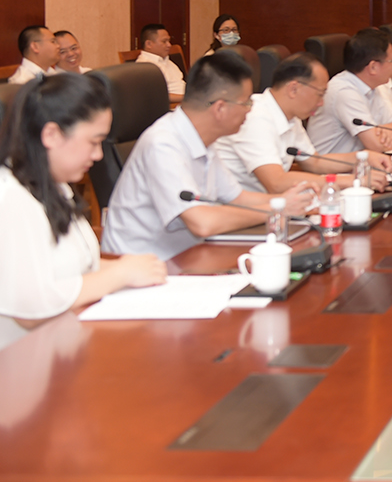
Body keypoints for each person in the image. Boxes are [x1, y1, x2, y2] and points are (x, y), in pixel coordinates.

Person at [0, 74, 167, 350]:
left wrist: (133, 267)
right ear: (51, 135)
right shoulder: (10, 198)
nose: (99, 155)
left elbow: (75, 265)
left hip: (65, 346)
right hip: (21, 362)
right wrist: (120, 274)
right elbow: (31, 308)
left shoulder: (55, 185)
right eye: (93, 141)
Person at [101, 55, 311, 261]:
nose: (250, 110)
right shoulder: (163, 144)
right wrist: (278, 209)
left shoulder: (205, 139)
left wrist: (295, 201)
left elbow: (238, 198)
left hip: (188, 256)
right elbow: (202, 223)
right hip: (139, 267)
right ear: (220, 108)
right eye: (247, 103)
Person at [214, 53, 392, 195]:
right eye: (320, 94)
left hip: (273, 207)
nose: (321, 103)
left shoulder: (290, 116)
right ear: (294, 89)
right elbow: (276, 182)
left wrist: (363, 157)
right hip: (242, 214)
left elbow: (314, 162)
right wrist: (351, 181)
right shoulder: (255, 116)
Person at [306, 28, 392, 155]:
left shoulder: (371, 86)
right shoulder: (344, 91)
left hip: (361, 162)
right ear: (373, 67)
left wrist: (388, 132)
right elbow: (376, 145)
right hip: (334, 165)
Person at [135, 23, 185, 104]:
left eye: (169, 41)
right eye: (164, 41)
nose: (169, 45)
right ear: (149, 44)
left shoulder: (167, 60)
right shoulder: (144, 66)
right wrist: (188, 98)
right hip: (173, 107)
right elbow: (157, 96)